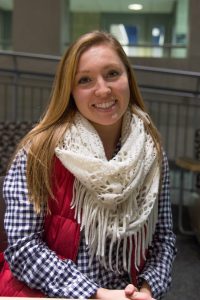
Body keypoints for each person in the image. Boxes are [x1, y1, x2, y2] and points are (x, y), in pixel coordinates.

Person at [0, 31, 176, 299]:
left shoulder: (151, 153)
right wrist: (97, 294)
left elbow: (163, 239)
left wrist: (147, 290)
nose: (103, 89)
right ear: (69, 91)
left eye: (112, 74)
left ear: (128, 78)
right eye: (85, 80)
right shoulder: (38, 152)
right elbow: (23, 248)